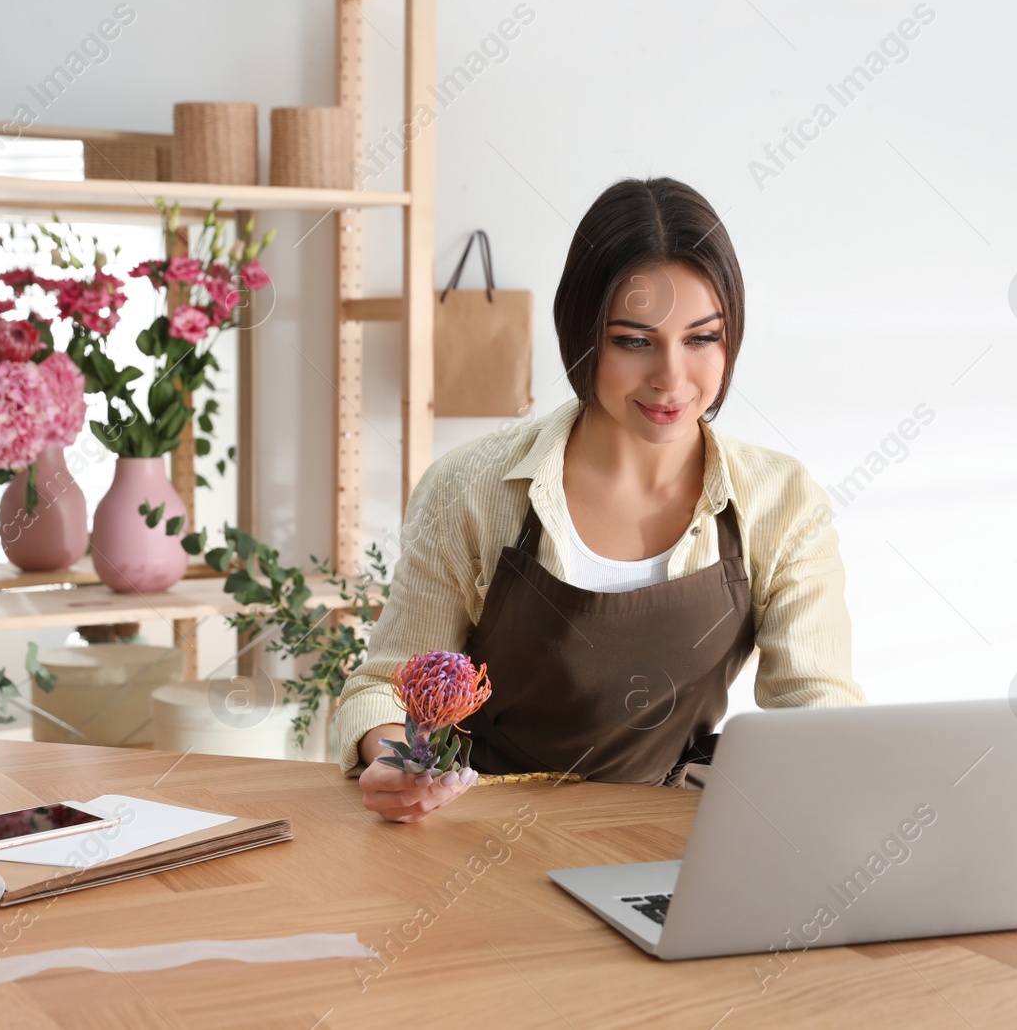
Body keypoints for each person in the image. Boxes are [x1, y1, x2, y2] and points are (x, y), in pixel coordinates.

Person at [332, 176, 868, 823]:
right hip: (475, 836)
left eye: (702, 338)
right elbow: (383, 689)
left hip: (667, 845)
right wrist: (395, 757)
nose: (672, 378)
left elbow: (818, 708)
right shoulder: (468, 488)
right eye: (634, 341)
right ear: (582, 334)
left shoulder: (780, 500)